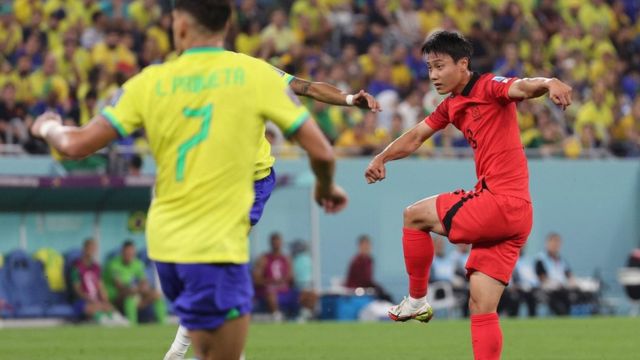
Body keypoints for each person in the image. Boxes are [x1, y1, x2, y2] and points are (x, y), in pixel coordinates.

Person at [30, 1, 348, 359]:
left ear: (178, 25)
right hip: (214, 242)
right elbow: (321, 152)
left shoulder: (149, 82)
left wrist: (48, 126)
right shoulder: (253, 74)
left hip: (166, 244)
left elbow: (75, 145)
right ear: (228, 26)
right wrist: (324, 187)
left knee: (211, 341)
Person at [364, 30, 572, 360]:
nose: (433, 75)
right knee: (481, 305)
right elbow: (417, 135)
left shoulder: (489, 86)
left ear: (463, 64)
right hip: (517, 215)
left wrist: (549, 82)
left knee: (413, 216)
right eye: (429, 68)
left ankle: (417, 299)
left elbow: (521, 86)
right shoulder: (451, 106)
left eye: (440, 66)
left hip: (499, 202)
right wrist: (382, 157)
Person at [103, 240, 165, 324]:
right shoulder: (113, 264)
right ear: (122, 252)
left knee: (156, 295)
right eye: (127, 252)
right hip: (117, 298)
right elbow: (120, 286)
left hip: (135, 294)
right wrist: (136, 290)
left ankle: (162, 325)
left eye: (132, 253)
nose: (129, 255)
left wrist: (141, 289)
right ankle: (132, 326)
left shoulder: (137, 264)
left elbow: (144, 282)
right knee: (130, 299)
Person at [71, 238, 128, 326]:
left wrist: (105, 299)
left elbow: (100, 286)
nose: (91, 251)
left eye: (94, 249)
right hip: (82, 301)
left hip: (96, 299)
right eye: (90, 248)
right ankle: (103, 320)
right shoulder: (76, 267)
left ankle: (118, 320)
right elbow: (77, 289)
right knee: (93, 308)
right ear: (84, 249)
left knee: (108, 307)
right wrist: (88, 298)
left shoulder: (96, 267)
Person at [252, 232, 295, 322]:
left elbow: (291, 277)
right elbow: (256, 279)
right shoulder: (264, 259)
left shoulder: (286, 259)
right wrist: (271, 282)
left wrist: (284, 281)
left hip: (284, 290)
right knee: (271, 294)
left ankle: (305, 316)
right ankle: (277, 317)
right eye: (274, 242)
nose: (276, 245)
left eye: (278, 242)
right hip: (268, 291)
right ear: (271, 243)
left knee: (309, 295)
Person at [535, 232, 575, 316]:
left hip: (562, 289)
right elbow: (542, 277)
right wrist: (554, 283)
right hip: (549, 290)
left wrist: (572, 282)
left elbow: (569, 274)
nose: (555, 245)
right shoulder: (541, 259)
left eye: (557, 242)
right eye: (553, 242)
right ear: (547, 243)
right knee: (559, 306)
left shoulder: (561, 260)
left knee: (573, 296)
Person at [345, 234, 392, 302]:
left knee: (386, 296)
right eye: (364, 245)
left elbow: (368, 279)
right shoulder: (357, 261)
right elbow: (363, 280)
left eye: (368, 245)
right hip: (356, 292)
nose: (366, 247)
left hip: (367, 289)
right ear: (360, 246)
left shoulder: (369, 260)